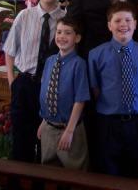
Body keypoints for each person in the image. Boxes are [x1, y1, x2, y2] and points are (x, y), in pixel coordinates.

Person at [88, 1, 138, 180]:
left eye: (127, 20)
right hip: (109, 124)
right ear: (109, 25)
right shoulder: (96, 55)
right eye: (117, 21)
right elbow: (96, 88)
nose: (123, 25)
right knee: (109, 172)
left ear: (135, 23)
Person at [4, 0, 65, 163]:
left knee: (47, 142)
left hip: (52, 87)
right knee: (22, 140)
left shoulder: (65, 19)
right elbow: (10, 50)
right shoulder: (24, 16)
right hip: (25, 85)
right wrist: (12, 81)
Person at [37, 16, 90, 170]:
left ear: (77, 38)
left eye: (68, 33)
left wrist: (70, 130)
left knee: (74, 174)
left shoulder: (79, 64)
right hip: (49, 127)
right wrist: (44, 121)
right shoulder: (49, 61)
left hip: (69, 129)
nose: (62, 36)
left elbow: (80, 100)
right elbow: (46, 93)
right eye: (59, 32)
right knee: (49, 172)